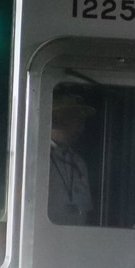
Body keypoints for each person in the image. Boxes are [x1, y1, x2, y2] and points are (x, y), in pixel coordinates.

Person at [48, 90, 95, 225]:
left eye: (82, 121)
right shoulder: (36, 159)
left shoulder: (79, 163)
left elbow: (87, 210)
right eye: (75, 118)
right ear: (55, 119)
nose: (80, 127)